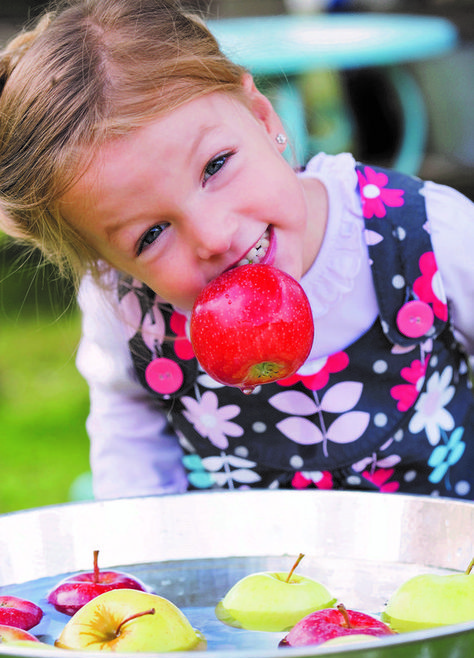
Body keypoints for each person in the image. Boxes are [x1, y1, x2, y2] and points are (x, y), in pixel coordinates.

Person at [1, 0, 474, 501]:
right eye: (151, 235)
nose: (212, 236)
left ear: (262, 115)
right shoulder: (131, 309)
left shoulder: (426, 235)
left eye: (215, 166)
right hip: (243, 575)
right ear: (109, 263)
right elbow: (128, 428)